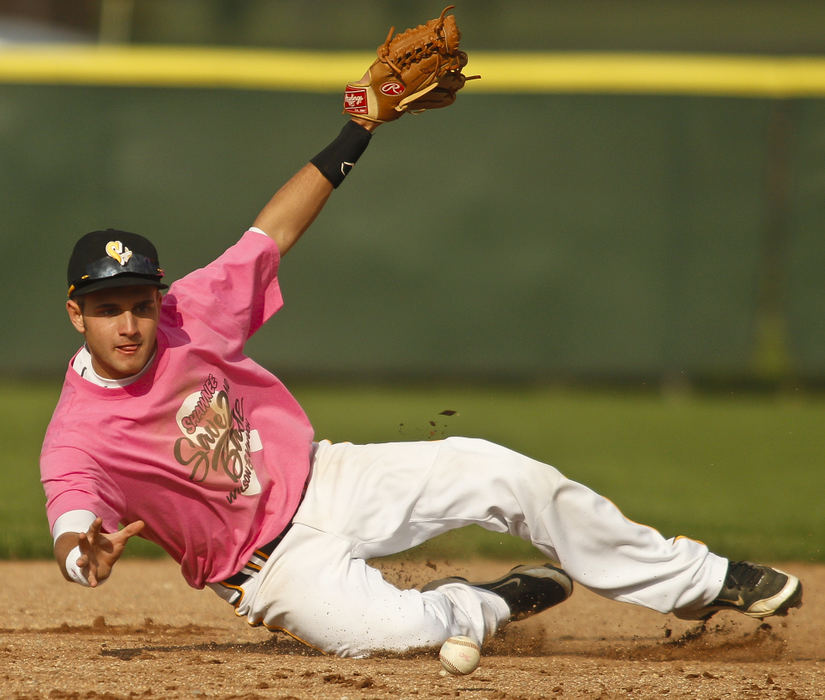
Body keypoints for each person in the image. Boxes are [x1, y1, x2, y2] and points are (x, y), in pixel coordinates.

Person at [41, 108, 802, 658]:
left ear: (157, 294)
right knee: (400, 635)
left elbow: (271, 232)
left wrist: (358, 128)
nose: (131, 324)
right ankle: (488, 603)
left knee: (504, 472)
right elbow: (73, 516)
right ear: (78, 314)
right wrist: (85, 557)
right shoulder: (78, 435)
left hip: (329, 476)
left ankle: (700, 579)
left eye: (139, 303)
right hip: (270, 571)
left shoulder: (185, 313)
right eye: (109, 310)